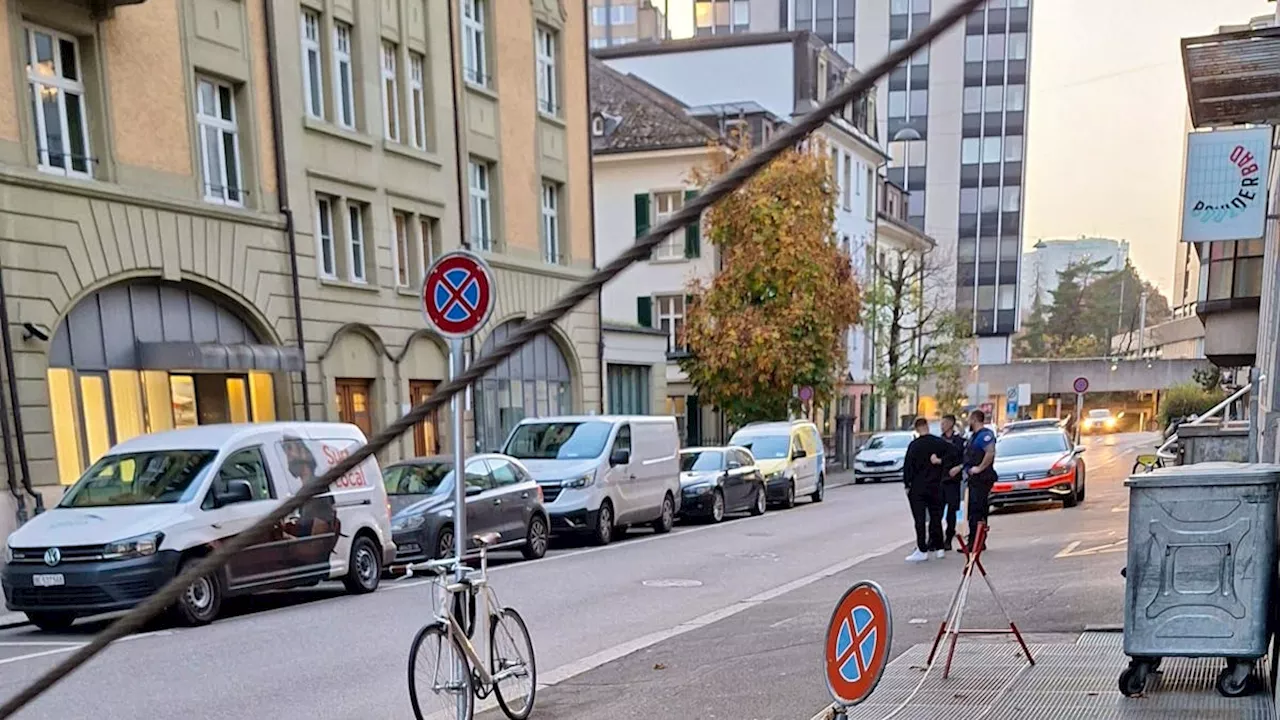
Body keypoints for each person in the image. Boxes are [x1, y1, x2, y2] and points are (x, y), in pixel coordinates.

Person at [902, 418, 953, 562]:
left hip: (918, 487)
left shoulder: (914, 446)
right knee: (936, 517)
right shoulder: (938, 443)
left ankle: (922, 549)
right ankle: (939, 548)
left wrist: (907, 485)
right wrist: (941, 462)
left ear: (917, 429)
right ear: (927, 426)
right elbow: (954, 453)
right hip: (936, 485)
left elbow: (908, 467)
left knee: (919, 519)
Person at [952, 409, 997, 553]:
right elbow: (969, 458)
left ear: (974, 419)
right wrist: (961, 468)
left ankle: (977, 542)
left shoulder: (985, 435)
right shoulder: (974, 437)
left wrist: (980, 468)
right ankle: (975, 541)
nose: (968, 422)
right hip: (973, 479)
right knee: (973, 510)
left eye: (970, 419)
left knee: (978, 510)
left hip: (982, 479)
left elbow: (990, 453)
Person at [938, 414, 967, 550]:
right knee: (937, 511)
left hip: (953, 481)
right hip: (940, 480)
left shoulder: (959, 441)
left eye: (943, 423)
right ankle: (935, 538)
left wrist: (959, 467)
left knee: (951, 511)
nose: (941, 426)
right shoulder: (938, 441)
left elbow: (965, 459)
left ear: (950, 424)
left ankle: (949, 538)